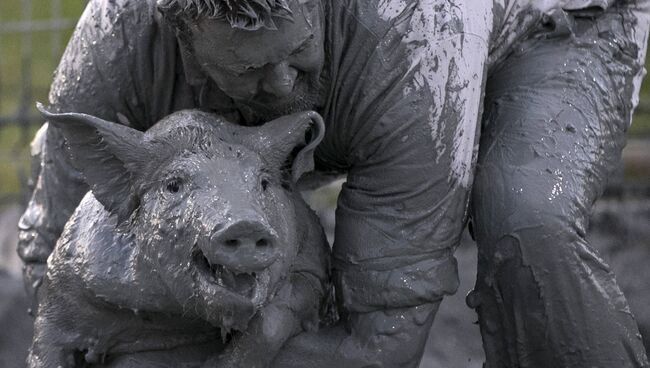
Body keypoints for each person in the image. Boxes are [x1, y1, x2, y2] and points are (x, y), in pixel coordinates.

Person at [17, 0, 650, 366]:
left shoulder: (410, 34)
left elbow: (384, 334)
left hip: (555, 28)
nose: (288, 89)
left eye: (299, 55)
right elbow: (57, 250)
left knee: (522, 214)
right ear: (180, 33)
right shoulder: (120, 31)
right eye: (255, 71)